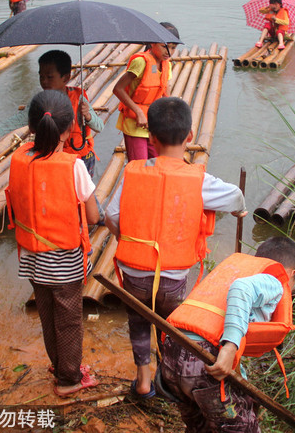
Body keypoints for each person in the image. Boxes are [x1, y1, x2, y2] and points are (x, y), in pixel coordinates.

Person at [105, 96, 246, 399]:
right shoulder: (199, 179)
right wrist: (239, 210)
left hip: (133, 272)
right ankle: (170, 381)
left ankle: (143, 382)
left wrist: (125, 238)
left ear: (151, 137)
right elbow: (234, 196)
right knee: (171, 329)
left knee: (139, 322)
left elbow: (110, 215)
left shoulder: (133, 172)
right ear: (190, 137)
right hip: (172, 277)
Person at [5, 90, 100, 397]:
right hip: (66, 262)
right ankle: (70, 379)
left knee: (48, 318)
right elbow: (94, 215)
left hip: (32, 258)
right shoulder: (73, 166)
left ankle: (58, 365)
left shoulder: (19, 159)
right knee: (69, 321)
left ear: (32, 127)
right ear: (69, 128)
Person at [160, 236, 295, 432]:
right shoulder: (275, 280)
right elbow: (242, 289)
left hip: (172, 348)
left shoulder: (237, 270)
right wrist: (230, 347)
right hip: (203, 359)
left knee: (198, 425)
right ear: (291, 273)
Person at [0, 50, 104, 178]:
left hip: (80, 159)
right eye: (41, 76)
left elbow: (99, 127)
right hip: (53, 160)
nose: (44, 81)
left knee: (82, 197)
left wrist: (88, 116)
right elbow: (19, 119)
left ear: (66, 78)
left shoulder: (79, 99)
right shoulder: (41, 102)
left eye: (50, 77)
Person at [112, 22, 180, 162]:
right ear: (152, 43)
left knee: (157, 163)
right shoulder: (141, 62)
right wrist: (138, 112)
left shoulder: (167, 64)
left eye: (173, 48)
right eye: (164, 47)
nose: (169, 52)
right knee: (139, 165)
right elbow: (117, 89)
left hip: (154, 124)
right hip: (135, 124)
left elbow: (165, 93)